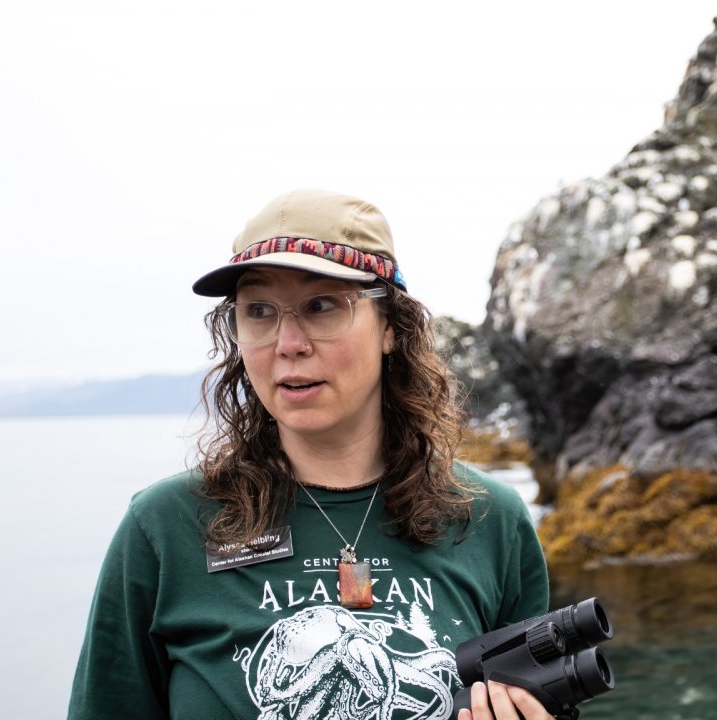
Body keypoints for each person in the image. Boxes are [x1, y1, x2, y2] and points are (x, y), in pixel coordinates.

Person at [69, 188, 554, 720]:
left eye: (322, 306)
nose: (288, 342)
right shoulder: (163, 527)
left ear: (390, 327)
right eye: (258, 311)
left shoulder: (491, 520)